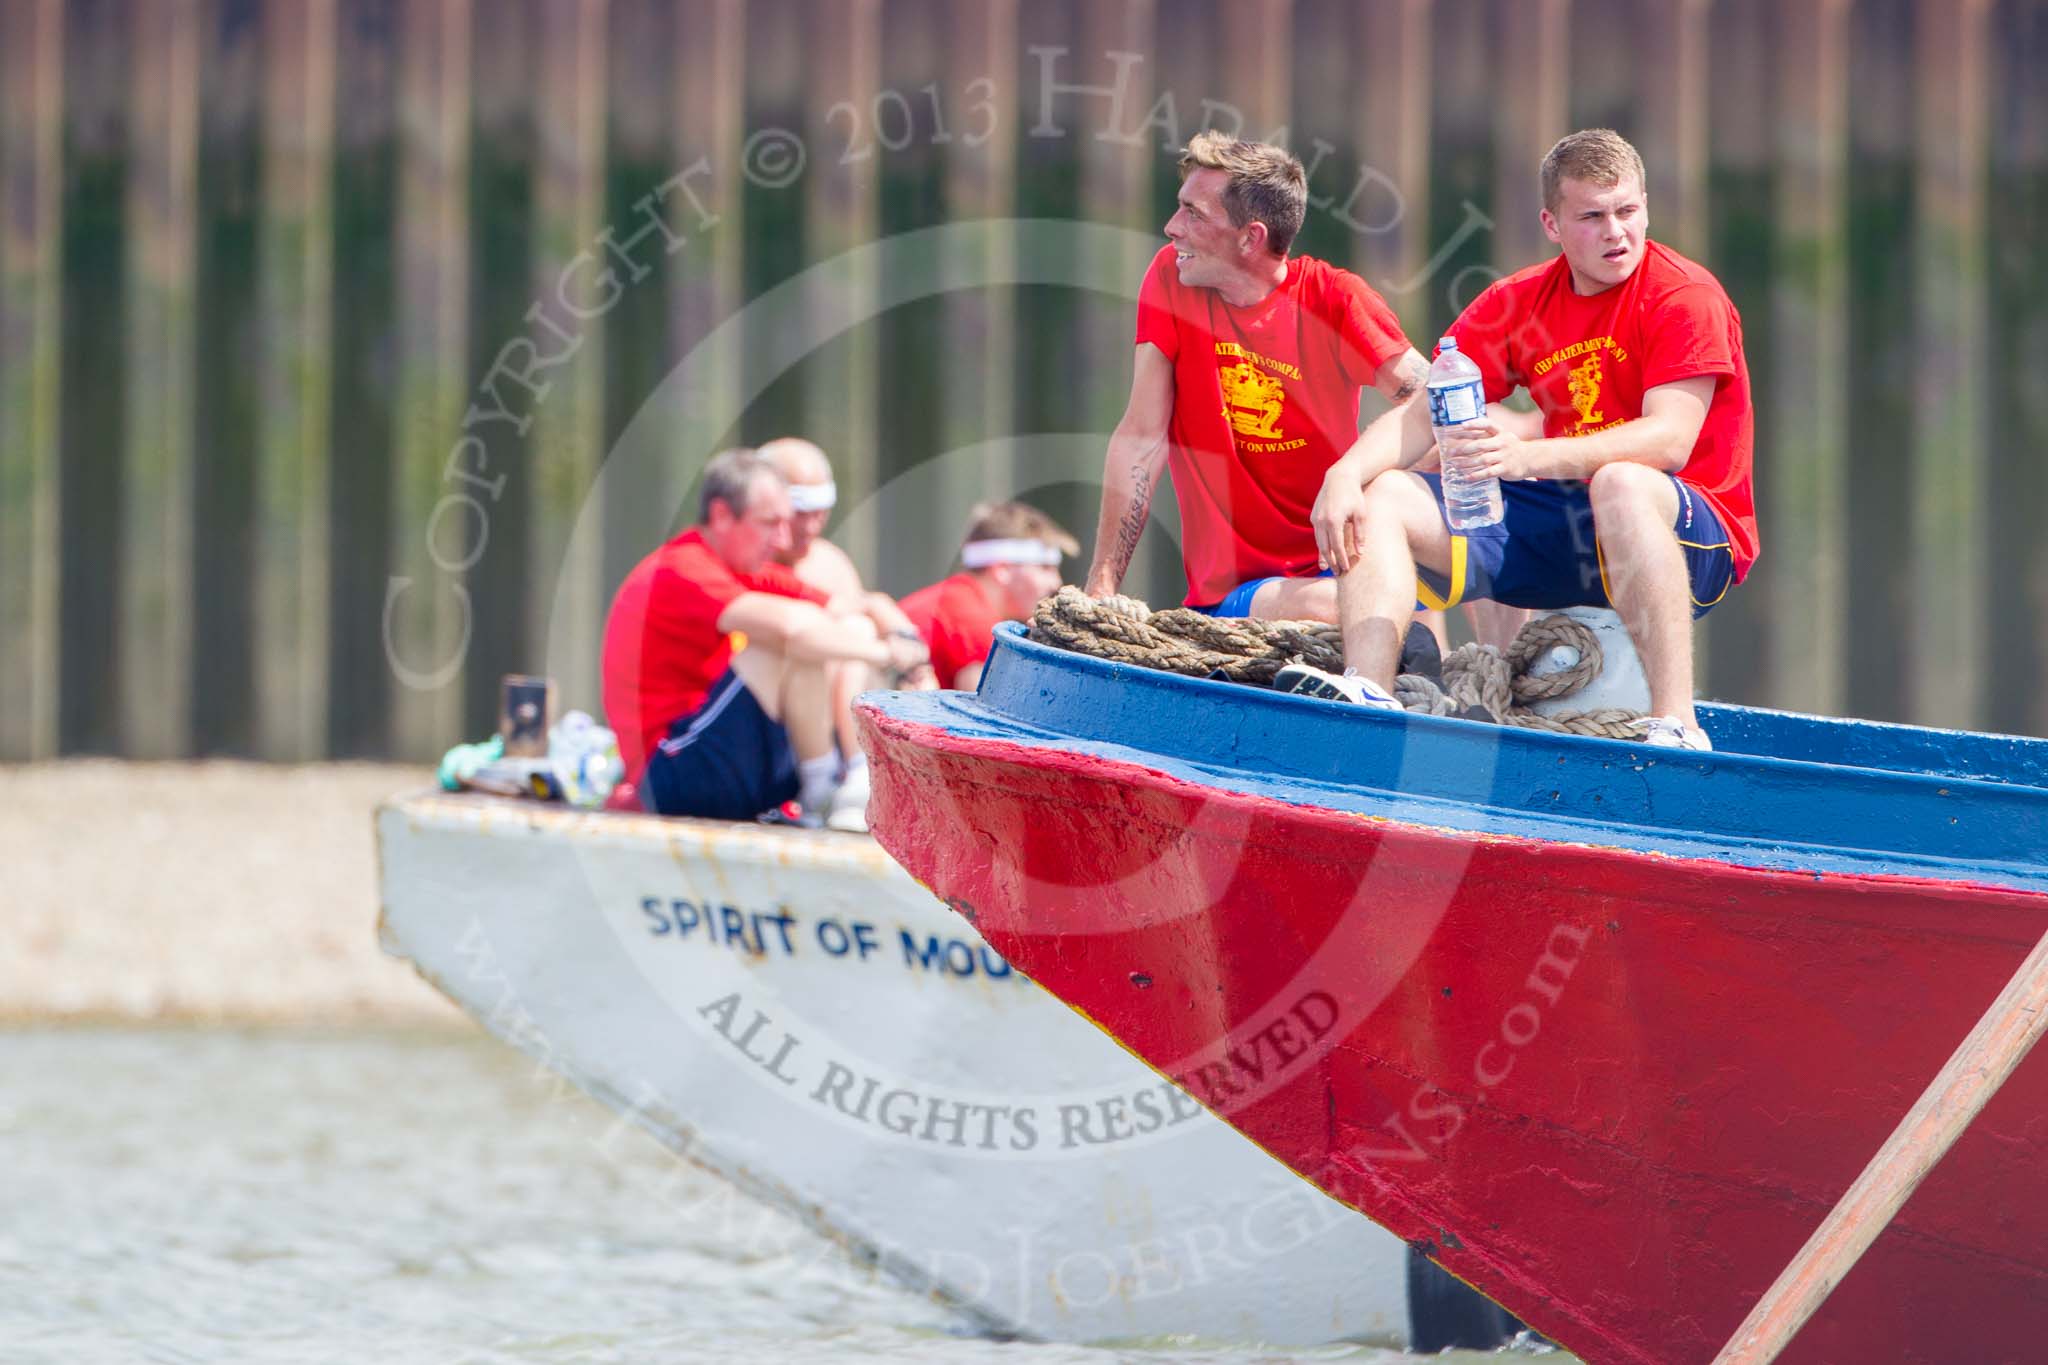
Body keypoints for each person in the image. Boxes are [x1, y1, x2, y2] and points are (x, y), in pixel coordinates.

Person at [1297, 129, 1758, 750]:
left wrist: (1526, 457)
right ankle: (1369, 699)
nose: (1616, 232)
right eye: (1591, 217)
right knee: (1385, 496)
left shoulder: (1684, 296)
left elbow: (1669, 441)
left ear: (1646, 203)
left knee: (1622, 481)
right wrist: (1345, 475)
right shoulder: (1517, 302)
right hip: (1573, 532)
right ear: (1552, 223)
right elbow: (1423, 413)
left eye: (1627, 210)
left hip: (1691, 535)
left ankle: (1675, 724)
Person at [1082, 131, 1432, 623]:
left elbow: (1441, 405)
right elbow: (1141, 437)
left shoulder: (1335, 298)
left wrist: (1356, 476)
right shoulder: (1171, 278)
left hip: (1342, 562)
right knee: (1366, 603)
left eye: (1193, 214)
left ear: (1251, 238)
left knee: (1410, 558)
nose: (1170, 227)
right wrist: (1101, 584)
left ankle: (1471, 670)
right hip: (1240, 592)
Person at [600, 447, 931, 831]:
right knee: (784, 642)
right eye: (769, 523)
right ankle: (828, 789)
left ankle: (837, 783)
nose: (781, 539)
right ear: (723, 516)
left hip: (716, 758)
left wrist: (906, 640)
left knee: (839, 630)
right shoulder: (681, 569)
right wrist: (888, 653)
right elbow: (790, 629)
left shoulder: (739, 566)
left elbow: (856, 606)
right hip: (671, 773)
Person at [757, 436, 936, 783]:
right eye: (798, 513)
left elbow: (866, 605)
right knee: (855, 634)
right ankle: (833, 779)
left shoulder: (829, 561)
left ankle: (863, 771)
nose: (809, 527)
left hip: (832, 725)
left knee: (879, 628)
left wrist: (908, 650)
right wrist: (886, 649)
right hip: (764, 729)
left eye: (819, 513)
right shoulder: (745, 561)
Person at [902, 502, 1080, 690]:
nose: (1056, 583)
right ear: (1002, 569)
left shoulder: (956, 598)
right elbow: (984, 704)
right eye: (1044, 568)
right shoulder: (971, 615)